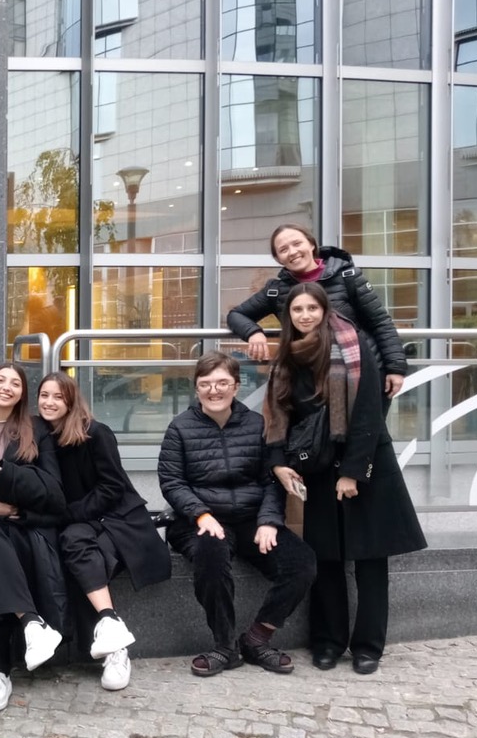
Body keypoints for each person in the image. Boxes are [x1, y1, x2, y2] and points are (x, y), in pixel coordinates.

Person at [264, 283, 426, 674]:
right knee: (326, 559)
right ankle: (328, 641)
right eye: (297, 309)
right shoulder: (286, 356)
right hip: (317, 465)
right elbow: (278, 413)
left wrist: (353, 472)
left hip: (364, 460)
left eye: (311, 308)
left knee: (370, 560)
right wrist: (278, 461)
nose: (305, 315)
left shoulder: (354, 347)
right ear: (288, 316)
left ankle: (368, 646)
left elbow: (369, 410)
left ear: (324, 310)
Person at [158, 351, 317, 678]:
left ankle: (257, 638)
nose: (213, 390)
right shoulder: (180, 428)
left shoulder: (257, 425)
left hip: (250, 519)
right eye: (205, 384)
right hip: (197, 520)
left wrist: (269, 520)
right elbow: (172, 482)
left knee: (302, 563)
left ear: (236, 386)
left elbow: (271, 478)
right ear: (196, 388)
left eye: (222, 383)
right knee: (211, 554)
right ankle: (225, 647)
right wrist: (201, 514)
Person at [37, 372, 170, 692]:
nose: (49, 402)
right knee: (73, 548)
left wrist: (68, 515)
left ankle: (115, 648)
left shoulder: (95, 433)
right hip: (81, 525)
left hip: (116, 520)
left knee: (76, 547)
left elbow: (112, 487)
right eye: (44, 395)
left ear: (71, 401)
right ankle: (111, 628)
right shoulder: (41, 436)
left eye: (58, 397)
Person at [0, 362, 67, 713]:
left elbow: (54, 490)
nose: (7, 387)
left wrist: (11, 488)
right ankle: (31, 623)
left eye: (15, 383)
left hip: (23, 521)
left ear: (22, 393)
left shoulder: (36, 429)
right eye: (0, 380)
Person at [227, 224, 407, 402]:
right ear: (278, 258)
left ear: (312, 244)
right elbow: (236, 315)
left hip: (363, 373)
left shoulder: (347, 277)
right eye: (283, 249)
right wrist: (254, 333)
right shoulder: (277, 290)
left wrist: (395, 368)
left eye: (297, 243)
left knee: (364, 422)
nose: (292, 252)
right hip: (309, 380)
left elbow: (380, 323)